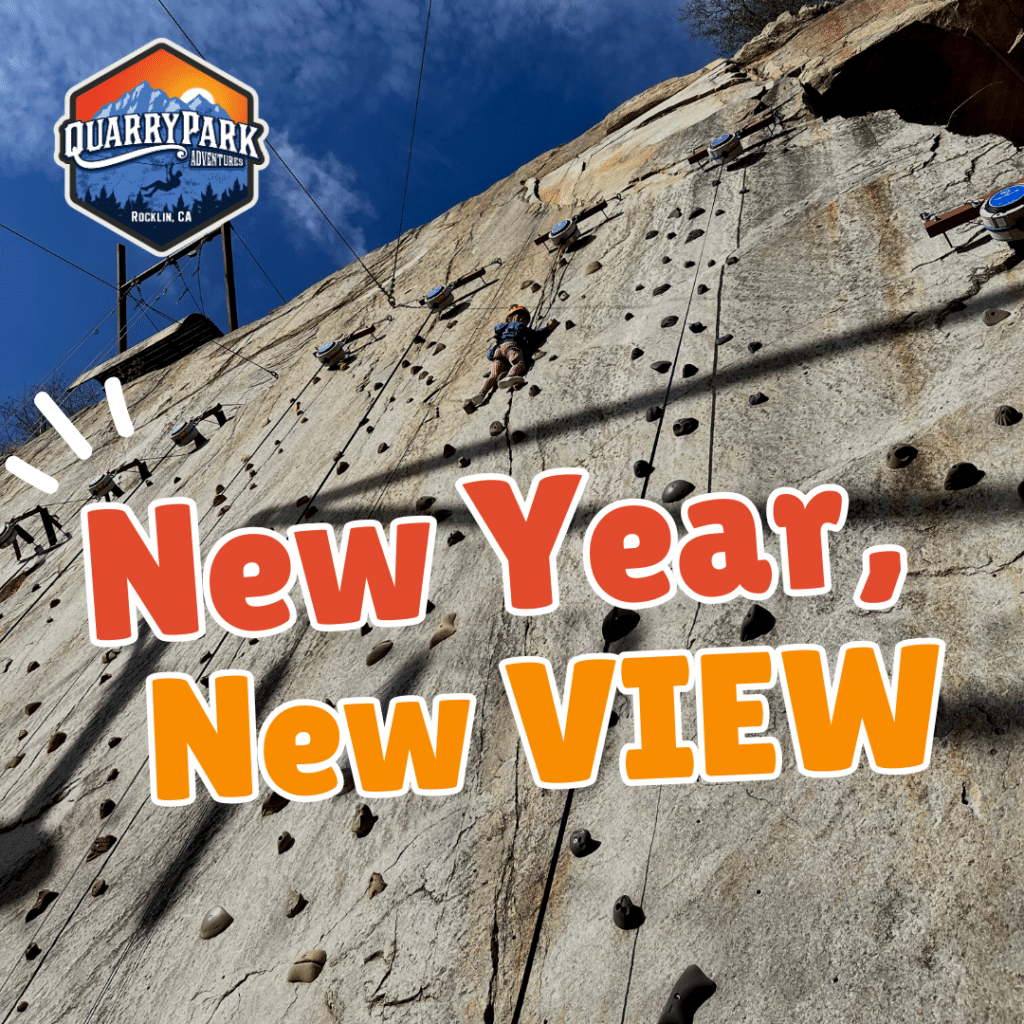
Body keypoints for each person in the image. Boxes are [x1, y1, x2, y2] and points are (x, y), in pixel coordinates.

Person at [468, 305, 558, 407]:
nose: (522, 320)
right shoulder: (517, 325)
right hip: (510, 347)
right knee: (519, 363)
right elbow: (534, 335)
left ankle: (481, 394)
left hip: (498, 352)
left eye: (525, 319)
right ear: (510, 319)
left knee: (493, 375)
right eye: (520, 317)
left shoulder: (501, 330)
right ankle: (509, 377)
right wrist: (547, 328)